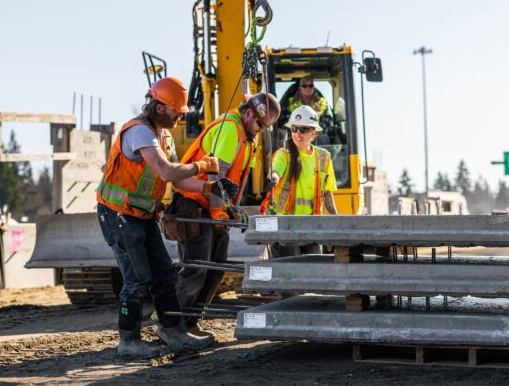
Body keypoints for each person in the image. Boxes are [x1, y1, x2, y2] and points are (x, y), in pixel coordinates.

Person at [96, 76, 238, 357]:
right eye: (177, 111)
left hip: (141, 215)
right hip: (118, 214)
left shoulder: (164, 136)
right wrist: (201, 166)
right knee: (137, 279)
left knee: (164, 275)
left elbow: (179, 181)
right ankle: (128, 341)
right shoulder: (139, 132)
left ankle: (174, 331)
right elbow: (166, 171)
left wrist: (211, 186)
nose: (180, 116)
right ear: (159, 107)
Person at [173, 92, 281, 338]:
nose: (260, 129)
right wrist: (217, 211)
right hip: (195, 203)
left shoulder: (248, 137)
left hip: (212, 205)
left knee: (215, 269)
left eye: (265, 127)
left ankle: (190, 323)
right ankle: (174, 326)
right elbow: (214, 174)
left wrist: (230, 208)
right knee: (196, 268)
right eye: (259, 124)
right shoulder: (232, 128)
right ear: (248, 112)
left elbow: (233, 180)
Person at [262, 105, 338, 258]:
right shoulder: (284, 154)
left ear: (313, 133)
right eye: (294, 129)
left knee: (314, 274)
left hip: (312, 226)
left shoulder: (324, 157)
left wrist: (337, 219)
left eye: (303, 129)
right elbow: (275, 171)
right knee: (290, 273)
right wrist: (273, 180)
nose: (297, 134)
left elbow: (327, 193)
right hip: (285, 226)